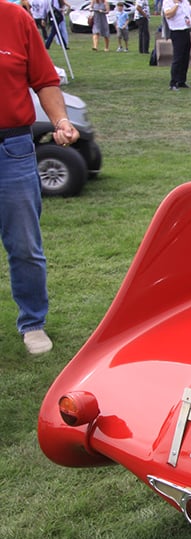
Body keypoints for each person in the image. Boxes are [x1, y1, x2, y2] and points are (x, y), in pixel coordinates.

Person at [1, 0, 80, 355]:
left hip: (11, 147)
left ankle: (33, 323)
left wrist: (61, 120)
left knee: (24, 245)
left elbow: (45, 80)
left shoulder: (15, 17)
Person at [163, 0, 191, 89]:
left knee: (185, 57)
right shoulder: (168, 2)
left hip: (186, 30)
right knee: (178, 57)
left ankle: (181, 80)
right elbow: (168, 15)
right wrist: (176, 5)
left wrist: (189, 21)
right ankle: (173, 82)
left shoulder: (185, 2)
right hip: (177, 31)